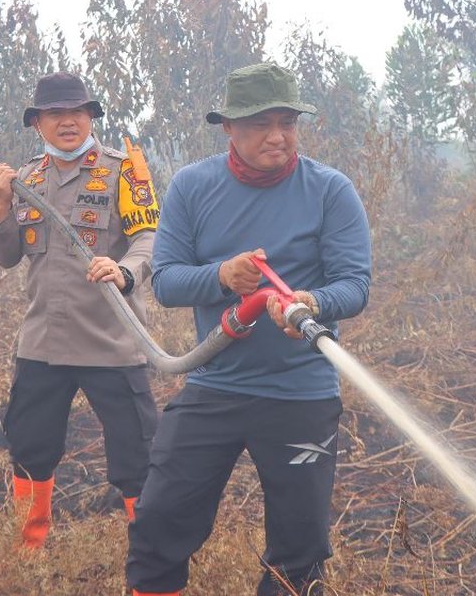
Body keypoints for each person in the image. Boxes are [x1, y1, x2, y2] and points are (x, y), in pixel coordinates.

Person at [125, 63, 372, 596]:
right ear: (229, 128)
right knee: (158, 521)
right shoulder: (193, 186)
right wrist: (221, 276)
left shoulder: (331, 191)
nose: (277, 136)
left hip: (301, 393)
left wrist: (312, 301)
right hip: (215, 385)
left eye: (287, 122)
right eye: (261, 123)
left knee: (299, 551)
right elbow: (165, 282)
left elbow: (355, 285)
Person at [0, 71, 161, 549]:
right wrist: (1, 204)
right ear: (37, 123)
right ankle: (28, 553)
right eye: (56, 114)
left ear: (90, 117)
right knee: (29, 449)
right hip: (43, 342)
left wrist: (124, 270)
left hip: (112, 341)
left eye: (77, 112)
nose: (68, 122)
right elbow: (7, 256)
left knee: (138, 456)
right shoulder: (28, 179)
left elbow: (149, 238)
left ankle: (148, 558)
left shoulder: (123, 171)